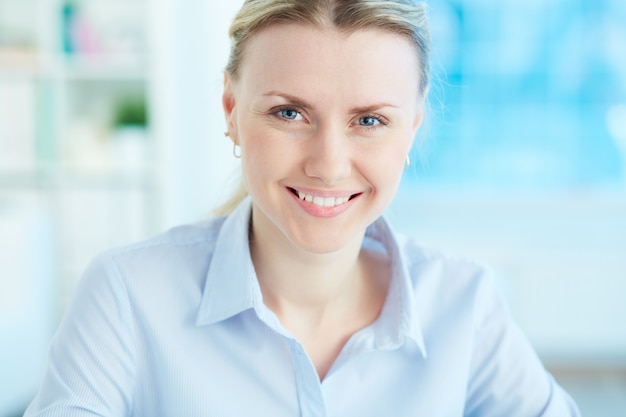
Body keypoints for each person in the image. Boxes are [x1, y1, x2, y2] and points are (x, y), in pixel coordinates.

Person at [25, 1, 580, 416]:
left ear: (411, 130)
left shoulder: (464, 304)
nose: (329, 165)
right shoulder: (128, 295)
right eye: (290, 113)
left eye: (369, 121)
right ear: (232, 111)